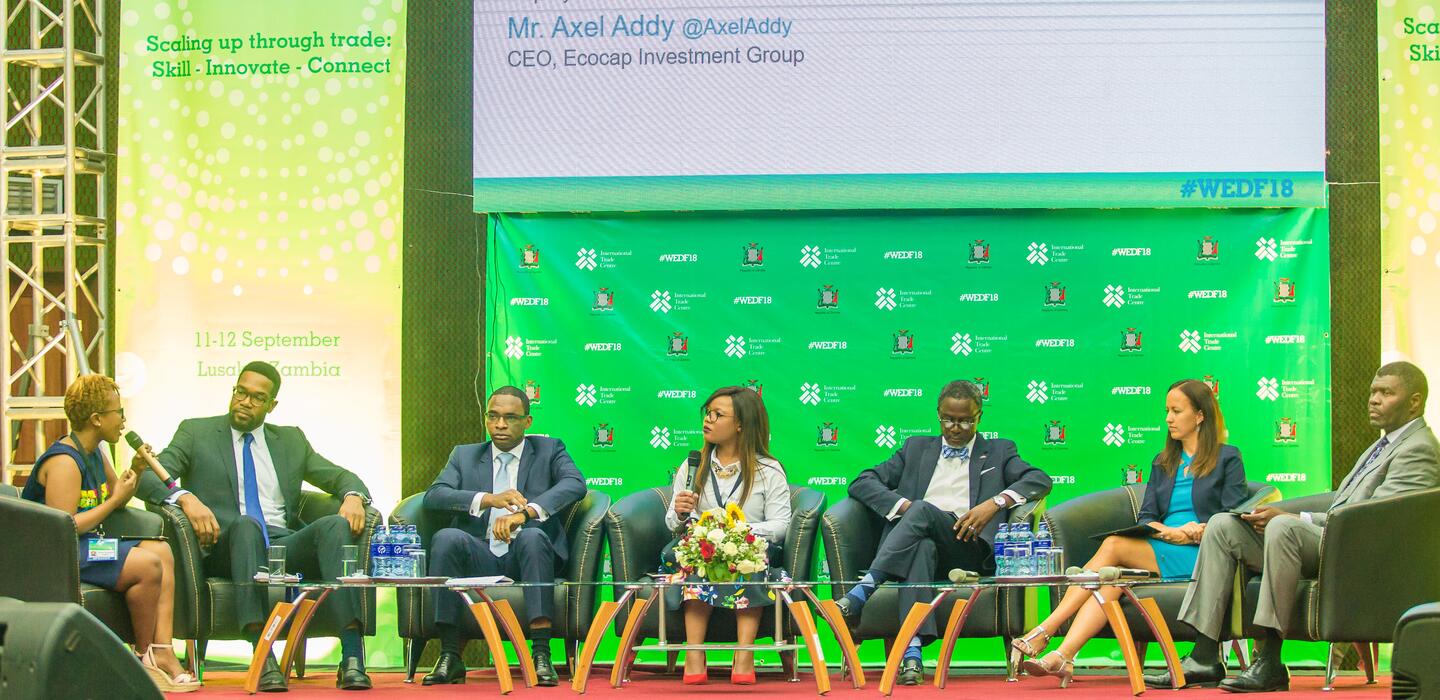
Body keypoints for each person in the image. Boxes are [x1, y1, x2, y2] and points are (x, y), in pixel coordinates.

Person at [1148, 361, 1440, 693]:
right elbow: (1340, 502)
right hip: (1330, 540)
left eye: (1386, 393)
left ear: (1414, 401)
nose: (1373, 399)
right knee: (1221, 526)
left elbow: (1381, 521)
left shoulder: (1418, 449)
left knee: (1283, 528)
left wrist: (1294, 518)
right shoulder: (1383, 444)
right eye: (1373, 391)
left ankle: (1270, 659)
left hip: (1360, 552)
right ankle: (1204, 656)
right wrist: (1268, 512)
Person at [137, 361, 374, 692]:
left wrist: (352, 496)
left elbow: (341, 476)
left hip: (280, 544)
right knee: (246, 526)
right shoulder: (196, 432)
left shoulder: (290, 441)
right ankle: (263, 655)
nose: (244, 402)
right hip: (224, 544)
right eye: (240, 393)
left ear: (271, 405)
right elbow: (148, 477)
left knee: (334, 525)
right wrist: (186, 498)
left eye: (256, 398)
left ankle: (351, 657)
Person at [1012, 379, 1247, 687]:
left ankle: (1043, 631)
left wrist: (1191, 533)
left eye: (1177, 411)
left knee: (1112, 547)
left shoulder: (1227, 457)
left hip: (1204, 553)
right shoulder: (1163, 461)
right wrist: (1168, 532)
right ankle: (1064, 655)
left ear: (1200, 415)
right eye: (1167, 411)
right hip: (1164, 544)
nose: (1168, 419)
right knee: (1110, 580)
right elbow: (1148, 516)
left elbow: (1232, 515)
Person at [839, 379, 1053, 685]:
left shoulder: (999, 451)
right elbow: (862, 482)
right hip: (918, 545)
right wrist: (904, 508)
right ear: (938, 414)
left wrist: (994, 503)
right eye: (948, 419)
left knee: (923, 510)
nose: (956, 428)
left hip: (967, 547)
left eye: (966, 420)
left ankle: (865, 588)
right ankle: (912, 656)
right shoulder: (915, 448)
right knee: (922, 540)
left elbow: (1039, 479)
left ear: (980, 416)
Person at [22, 375, 199, 693]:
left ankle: (163, 651)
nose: (123, 420)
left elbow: (116, 500)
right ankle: (142, 658)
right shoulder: (65, 461)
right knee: (146, 565)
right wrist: (117, 499)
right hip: (59, 553)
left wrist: (137, 470)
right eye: (118, 412)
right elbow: (65, 528)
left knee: (161, 552)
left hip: (87, 545)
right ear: (96, 419)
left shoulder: (95, 452)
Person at [421, 386, 586, 687]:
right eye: (493, 416)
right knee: (446, 537)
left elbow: (574, 484)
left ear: (528, 421)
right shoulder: (465, 455)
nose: (500, 425)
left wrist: (525, 515)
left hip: (528, 556)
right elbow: (434, 496)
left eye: (510, 418)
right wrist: (488, 499)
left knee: (532, 537)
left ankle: (541, 654)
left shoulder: (549, 450)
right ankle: (449, 654)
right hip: (480, 554)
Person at [664, 386, 791, 685]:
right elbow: (673, 523)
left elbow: (781, 524)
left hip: (750, 547)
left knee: (749, 559)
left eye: (717, 415)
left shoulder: (768, 470)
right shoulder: (692, 465)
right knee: (698, 558)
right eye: (707, 414)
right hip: (703, 547)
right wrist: (681, 512)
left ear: (740, 424)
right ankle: (694, 653)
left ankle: (744, 653)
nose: (707, 420)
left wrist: (739, 533)